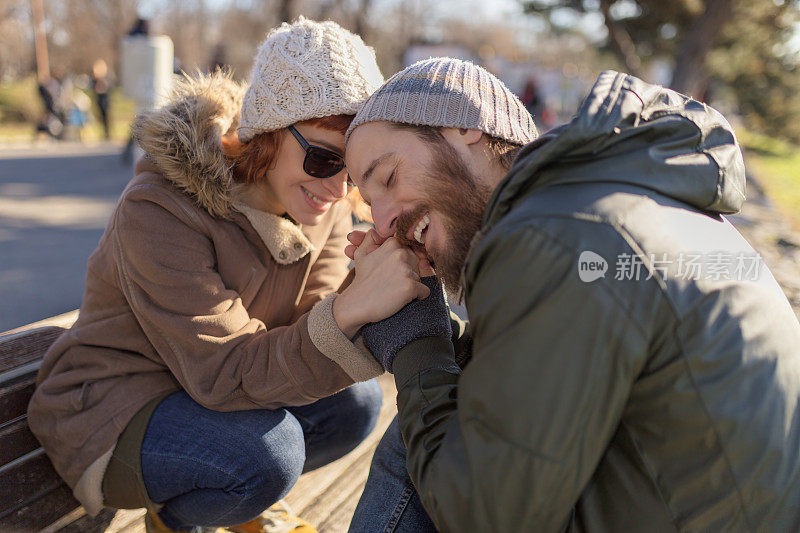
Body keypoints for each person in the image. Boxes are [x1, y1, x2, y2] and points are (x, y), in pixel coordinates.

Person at [343, 58, 800, 531]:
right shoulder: (615, 193)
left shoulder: (557, 236)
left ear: (464, 127)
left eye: (389, 178)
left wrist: (415, 338)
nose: (381, 223)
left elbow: (486, 516)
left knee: (421, 445)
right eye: (367, 201)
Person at [28, 19, 429, 533]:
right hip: (114, 410)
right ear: (268, 129)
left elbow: (312, 327)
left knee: (355, 403)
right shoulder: (160, 207)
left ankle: (239, 503)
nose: (336, 189)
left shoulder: (319, 205)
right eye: (324, 157)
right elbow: (224, 373)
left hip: (211, 396)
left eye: (350, 167)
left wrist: (370, 286)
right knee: (268, 454)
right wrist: (354, 307)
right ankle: (182, 520)